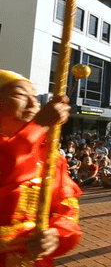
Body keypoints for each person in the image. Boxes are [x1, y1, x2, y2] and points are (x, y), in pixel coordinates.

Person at [0, 70, 82, 266]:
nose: (32, 104)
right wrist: (39, 125)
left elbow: (67, 211)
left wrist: (55, 234)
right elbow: (9, 166)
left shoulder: (51, 156)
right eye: (20, 95)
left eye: (35, 98)